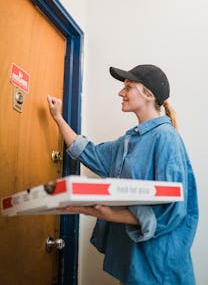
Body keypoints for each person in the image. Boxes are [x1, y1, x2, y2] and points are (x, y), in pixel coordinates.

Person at [47, 64, 199, 285]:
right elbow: (90, 153)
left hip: (158, 268)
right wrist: (58, 118)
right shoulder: (129, 141)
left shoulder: (166, 138)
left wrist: (111, 215)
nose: (121, 92)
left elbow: (172, 210)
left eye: (128, 87)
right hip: (133, 264)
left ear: (148, 94)